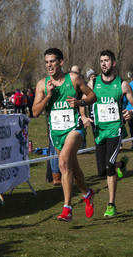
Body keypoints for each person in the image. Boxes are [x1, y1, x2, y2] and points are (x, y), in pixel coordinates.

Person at [32, 48, 96, 222]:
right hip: (56, 132)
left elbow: (92, 96)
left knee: (63, 163)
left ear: (61, 62)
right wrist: (48, 97)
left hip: (74, 128)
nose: (49, 65)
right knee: (72, 168)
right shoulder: (42, 85)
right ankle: (87, 193)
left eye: (52, 61)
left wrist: (80, 101)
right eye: (46, 62)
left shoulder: (73, 79)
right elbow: (35, 112)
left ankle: (67, 208)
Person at [85, 50, 133, 217]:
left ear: (113, 63)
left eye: (107, 60)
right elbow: (83, 100)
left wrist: (131, 112)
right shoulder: (93, 83)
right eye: (101, 60)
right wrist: (84, 116)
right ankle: (120, 165)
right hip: (99, 131)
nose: (103, 63)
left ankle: (111, 204)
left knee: (109, 165)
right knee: (102, 170)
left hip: (115, 129)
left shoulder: (122, 84)